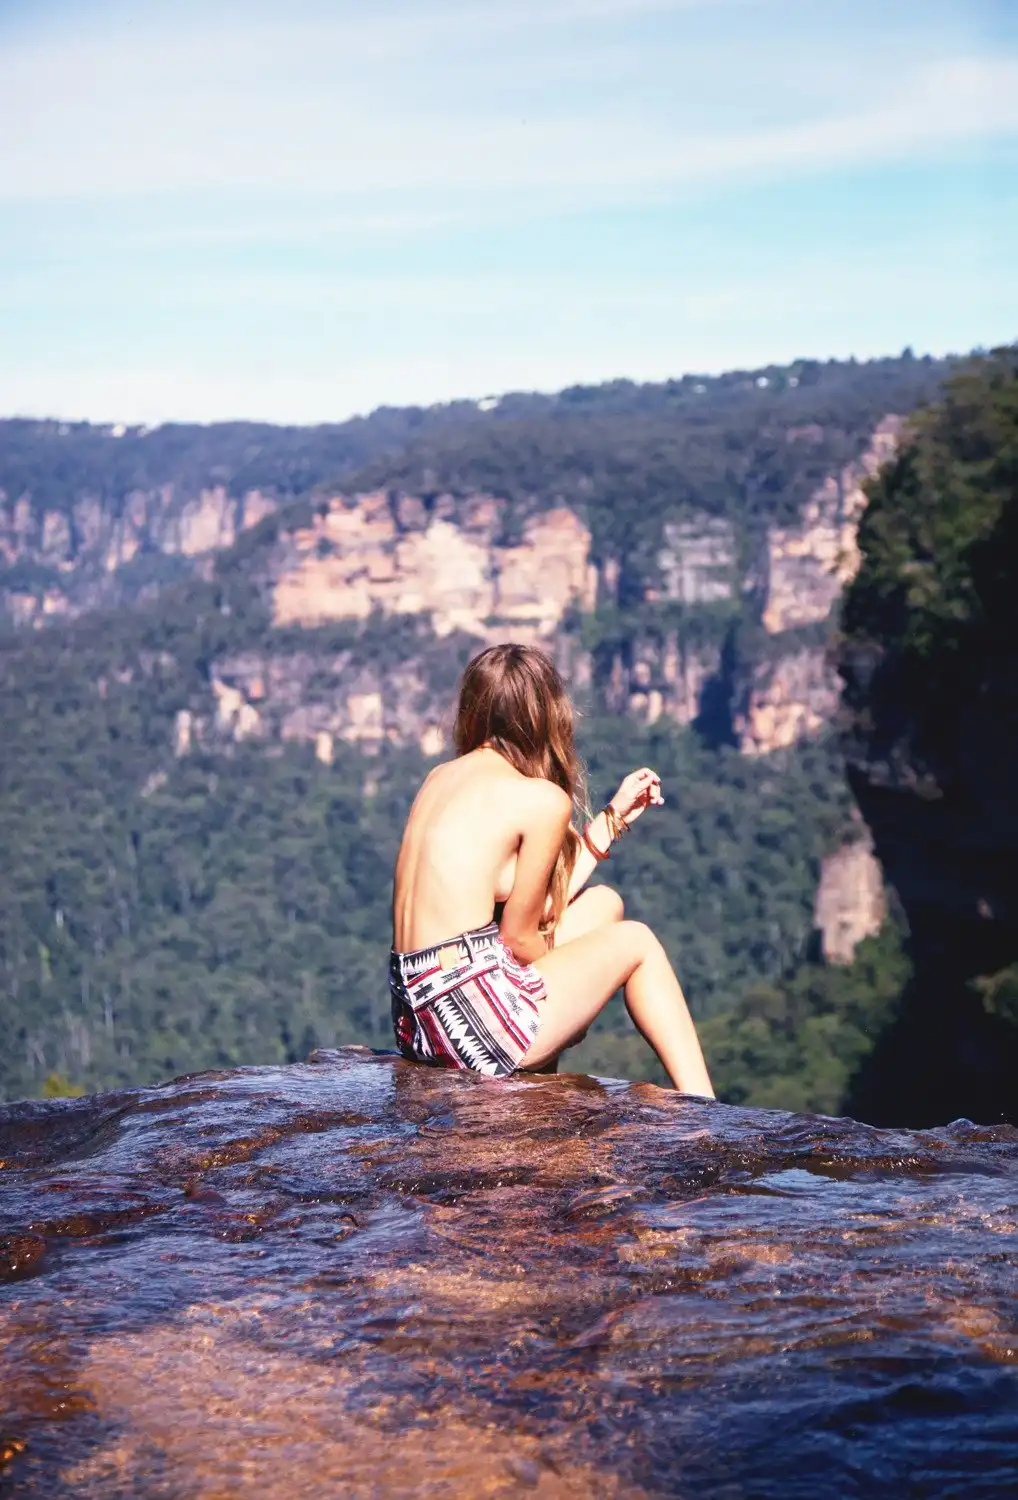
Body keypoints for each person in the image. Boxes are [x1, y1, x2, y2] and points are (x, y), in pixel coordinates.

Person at [389, 643, 715, 1096]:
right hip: (470, 1026)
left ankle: (536, 1085)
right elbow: (519, 940)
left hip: (416, 1022)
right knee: (636, 941)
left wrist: (611, 821)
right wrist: (572, 978)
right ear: (545, 716)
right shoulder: (539, 799)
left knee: (604, 905)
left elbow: (522, 904)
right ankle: (704, 1109)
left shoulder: (439, 778)